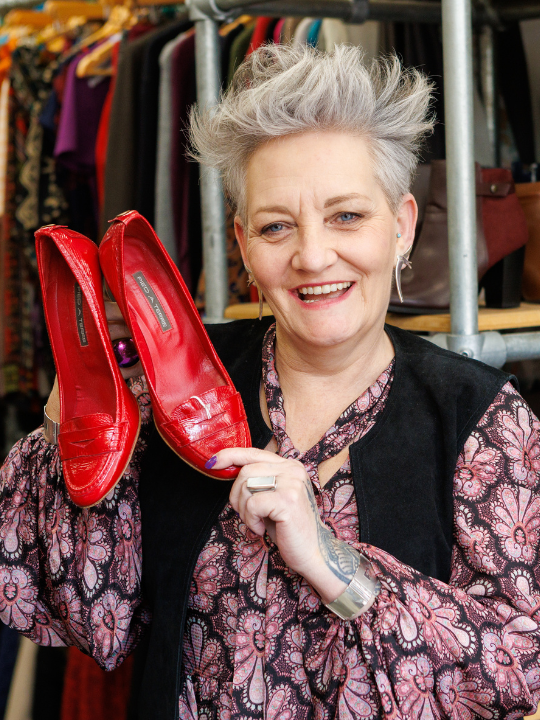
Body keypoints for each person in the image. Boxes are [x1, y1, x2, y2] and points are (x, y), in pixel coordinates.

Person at [1, 43, 540, 719]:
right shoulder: (168, 391)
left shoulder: (482, 418)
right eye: (276, 226)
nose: (313, 256)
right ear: (244, 244)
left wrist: (333, 564)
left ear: (402, 227)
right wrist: (70, 404)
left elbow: (519, 669)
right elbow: (91, 622)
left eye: (347, 216)